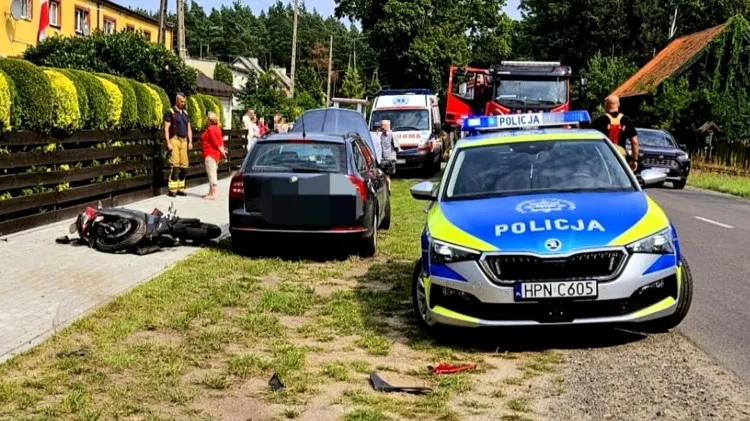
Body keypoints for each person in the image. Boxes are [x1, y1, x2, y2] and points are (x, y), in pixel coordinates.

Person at [591, 95, 640, 170]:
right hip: (620, 157)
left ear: (606, 105)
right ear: (618, 104)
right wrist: (634, 160)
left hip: (603, 157)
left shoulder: (599, 121)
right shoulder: (626, 120)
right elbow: (635, 142)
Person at [163, 93, 192, 197]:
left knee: (184, 166)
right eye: (181, 101)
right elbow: (166, 128)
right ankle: (172, 190)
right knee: (175, 166)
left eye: (184, 102)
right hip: (174, 140)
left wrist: (190, 141)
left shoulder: (185, 113)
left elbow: (189, 128)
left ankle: (181, 188)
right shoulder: (170, 112)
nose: (183, 103)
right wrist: (168, 142)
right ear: (176, 101)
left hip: (184, 141)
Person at [200, 111, 227, 200]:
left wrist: (221, 150)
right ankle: (210, 192)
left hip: (210, 154)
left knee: (212, 174)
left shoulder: (211, 129)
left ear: (209, 120)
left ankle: (213, 194)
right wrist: (222, 150)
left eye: (207, 118)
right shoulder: (217, 129)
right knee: (211, 173)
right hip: (215, 155)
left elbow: (214, 141)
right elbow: (220, 141)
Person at [379, 120, 399, 192]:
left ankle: (388, 189)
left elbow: (397, 147)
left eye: (383, 125)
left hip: (390, 159)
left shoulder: (392, 135)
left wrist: (397, 152)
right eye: (381, 125)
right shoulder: (381, 135)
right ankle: (387, 189)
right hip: (383, 159)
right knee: (384, 175)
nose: (381, 127)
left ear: (387, 126)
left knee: (386, 175)